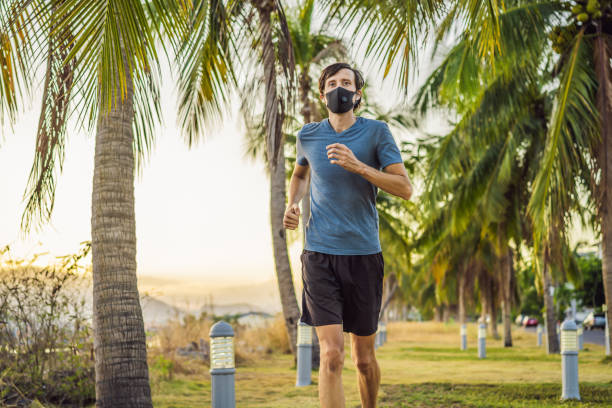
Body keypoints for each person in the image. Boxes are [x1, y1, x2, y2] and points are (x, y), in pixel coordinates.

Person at [283, 62, 412, 408]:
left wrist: (358, 166)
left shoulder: (377, 133)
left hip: (363, 255)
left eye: (347, 83)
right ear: (323, 92)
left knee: (363, 360)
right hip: (319, 255)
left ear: (357, 94)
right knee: (331, 355)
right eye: (332, 83)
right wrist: (292, 203)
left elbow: (405, 188)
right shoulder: (308, 135)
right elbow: (299, 174)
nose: (339, 88)